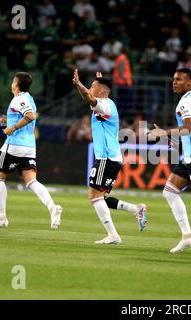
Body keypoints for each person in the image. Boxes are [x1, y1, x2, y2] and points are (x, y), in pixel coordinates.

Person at [72, 70, 147, 244]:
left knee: (94, 197)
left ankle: (113, 235)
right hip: (110, 157)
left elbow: (89, 99)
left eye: (93, 86)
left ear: (101, 91)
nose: (90, 89)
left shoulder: (104, 104)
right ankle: (136, 209)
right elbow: (92, 98)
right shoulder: (106, 104)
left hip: (106, 157)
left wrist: (79, 85)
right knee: (101, 197)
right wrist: (97, 80)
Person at [148, 68, 191, 253]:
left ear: (190, 82)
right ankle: (187, 236)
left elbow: (189, 127)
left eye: (178, 79)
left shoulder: (186, 102)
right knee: (169, 192)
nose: (174, 82)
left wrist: (164, 133)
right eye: (173, 79)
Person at [0, 72, 63, 231]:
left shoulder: (19, 98)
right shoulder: (29, 99)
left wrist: (13, 127)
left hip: (14, 145)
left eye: (13, 81)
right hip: (29, 147)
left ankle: (1, 217)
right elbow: (26, 117)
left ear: (15, 83)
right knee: (31, 181)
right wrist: (9, 122)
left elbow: (30, 115)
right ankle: (52, 207)